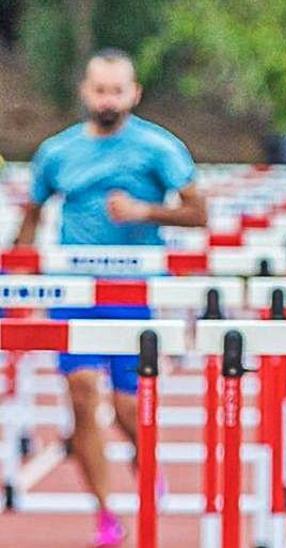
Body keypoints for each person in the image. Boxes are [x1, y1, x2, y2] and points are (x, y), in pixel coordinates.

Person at [12, 48, 205, 546]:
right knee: (80, 395)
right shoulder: (57, 152)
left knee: (125, 407)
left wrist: (143, 211)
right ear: (85, 91)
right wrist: (18, 274)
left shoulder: (158, 148)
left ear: (133, 94)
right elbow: (31, 219)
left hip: (133, 289)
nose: (108, 99)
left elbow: (199, 214)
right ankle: (104, 513)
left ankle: (148, 464)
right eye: (100, 90)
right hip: (75, 289)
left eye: (117, 90)